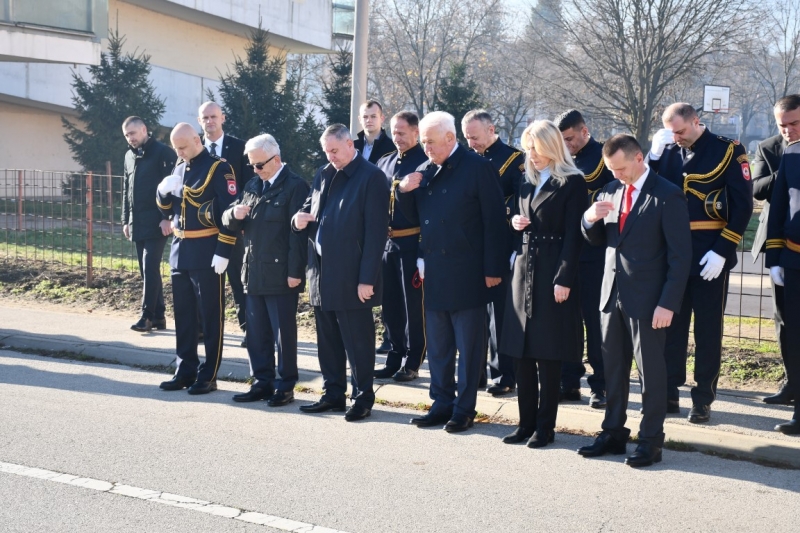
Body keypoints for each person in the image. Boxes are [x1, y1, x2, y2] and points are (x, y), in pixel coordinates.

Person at [578, 134, 692, 467]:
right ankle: (613, 432)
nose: (616, 175)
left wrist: (668, 303)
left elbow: (680, 256)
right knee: (612, 370)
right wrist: (589, 219)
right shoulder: (610, 190)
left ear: (639, 158)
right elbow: (599, 240)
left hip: (649, 300)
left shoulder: (668, 195)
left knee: (651, 374)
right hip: (611, 294)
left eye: (621, 168)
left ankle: (651, 440)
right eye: (611, 170)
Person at [395, 111, 507, 433]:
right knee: (439, 347)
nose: (426, 148)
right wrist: (403, 191)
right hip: (435, 270)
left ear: (450, 138)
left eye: (431, 142)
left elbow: (494, 222)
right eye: (424, 142)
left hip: (468, 271)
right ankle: (441, 403)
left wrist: (493, 268)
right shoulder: (424, 171)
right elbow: (414, 217)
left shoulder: (478, 168)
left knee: (469, 349)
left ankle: (464, 409)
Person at [649, 103, 753, 423]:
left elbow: (743, 206)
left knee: (708, 331)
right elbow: (648, 193)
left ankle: (703, 398)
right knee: (671, 326)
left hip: (710, 254)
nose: (676, 138)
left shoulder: (728, 150)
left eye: (680, 131)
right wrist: (652, 158)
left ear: (696, 121)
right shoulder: (667, 150)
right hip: (674, 254)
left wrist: (723, 249)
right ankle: (669, 391)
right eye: (671, 132)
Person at [292, 124, 389, 422]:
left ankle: (362, 397)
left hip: (352, 274)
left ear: (350, 144)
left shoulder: (371, 177)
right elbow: (309, 207)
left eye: (334, 150)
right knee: (328, 341)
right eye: (326, 152)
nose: (330, 157)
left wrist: (367, 279)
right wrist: (297, 219)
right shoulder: (324, 173)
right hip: (321, 272)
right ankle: (333, 393)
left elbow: (376, 234)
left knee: (357, 342)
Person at [499, 120, 587, 448]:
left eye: (535, 148)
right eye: (528, 149)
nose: (531, 155)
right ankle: (525, 423)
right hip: (523, 270)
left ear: (551, 146)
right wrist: (514, 220)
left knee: (548, 353)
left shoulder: (572, 182)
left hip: (551, 271)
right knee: (521, 352)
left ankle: (545, 427)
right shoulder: (527, 180)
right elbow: (518, 214)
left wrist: (564, 278)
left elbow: (574, 237)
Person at [222, 134, 309, 406]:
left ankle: (285, 385)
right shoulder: (252, 185)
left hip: (280, 273)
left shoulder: (295, 186)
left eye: (259, 165)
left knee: (283, 334)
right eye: (252, 165)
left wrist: (295, 273)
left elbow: (298, 236)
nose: (255, 170)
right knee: (256, 333)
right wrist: (233, 214)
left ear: (276, 159)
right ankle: (261, 381)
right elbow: (228, 217)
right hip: (253, 270)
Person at [156, 123, 240, 395]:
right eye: (175, 148)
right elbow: (169, 210)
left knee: (211, 316)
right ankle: (185, 369)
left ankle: (209, 374)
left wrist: (224, 249)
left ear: (196, 139)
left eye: (182, 147)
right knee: (184, 317)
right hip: (180, 251)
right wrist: (161, 192)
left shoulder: (219, 168)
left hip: (207, 251)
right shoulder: (180, 167)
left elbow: (229, 212)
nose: (179, 152)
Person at [554, 109, 615, 409]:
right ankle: (568, 381)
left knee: (595, 320)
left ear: (584, 131)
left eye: (570, 139)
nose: (567, 145)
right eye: (562, 140)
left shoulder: (604, 157)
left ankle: (600, 384)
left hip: (595, 250)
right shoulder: (561, 160)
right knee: (566, 321)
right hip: (567, 249)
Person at [462, 109, 524, 396]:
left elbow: (520, 203)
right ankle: (475, 374)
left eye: (475, 137)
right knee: (473, 314)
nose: (471, 143)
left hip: (501, 243)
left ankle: (503, 374)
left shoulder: (514, 159)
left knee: (499, 315)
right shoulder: (467, 160)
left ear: (491, 129)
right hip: (472, 246)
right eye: (467, 137)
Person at [373, 111, 429, 382]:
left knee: (413, 307)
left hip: (412, 242)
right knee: (390, 305)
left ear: (416, 132)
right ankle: (394, 357)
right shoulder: (384, 161)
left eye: (402, 133)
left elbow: (426, 210)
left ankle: (413, 361)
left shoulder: (425, 162)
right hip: (388, 243)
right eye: (394, 132)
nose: (397, 138)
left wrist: (422, 252)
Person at [752, 95, 800, 406]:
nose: (787, 130)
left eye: (794, 123)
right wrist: (787, 169)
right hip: (778, 241)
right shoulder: (769, 147)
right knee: (783, 318)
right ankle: (791, 382)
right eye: (782, 125)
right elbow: (757, 189)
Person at [197, 101, 252, 344]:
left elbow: (249, 186)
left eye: (213, 116)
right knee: (205, 282)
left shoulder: (239, 148)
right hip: (202, 230)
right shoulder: (195, 148)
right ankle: (205, 329)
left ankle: (249, 329)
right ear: (199, 121)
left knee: (240, 280)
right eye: (205, 118)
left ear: (223, 118)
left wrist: (243, 220)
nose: (209, 121)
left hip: (233, 227)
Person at [121, 116, 176, 332]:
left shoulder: (164, 153)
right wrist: (125, 220)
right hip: (137, 221)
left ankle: (146, 316)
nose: (130, 138)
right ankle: (159, 316)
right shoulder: (128, 156)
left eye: (133, 133)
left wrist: (168, 217)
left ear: (144, 130)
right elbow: (126, 189)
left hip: (158, 221)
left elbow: (173, 188)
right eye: (127, 135)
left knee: (150, 266)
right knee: (146, 271)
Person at [764, 139, 800, 435]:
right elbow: (778, 206)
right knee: (797, 338)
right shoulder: (793, 152)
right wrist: (775, 257)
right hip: (795, 259)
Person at [353, 100, 397, 164]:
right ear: (360, 119)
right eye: (365, 117)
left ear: (382, 118)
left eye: (373, 116)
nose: (369, 120)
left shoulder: (393, 148)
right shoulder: (352, 147)